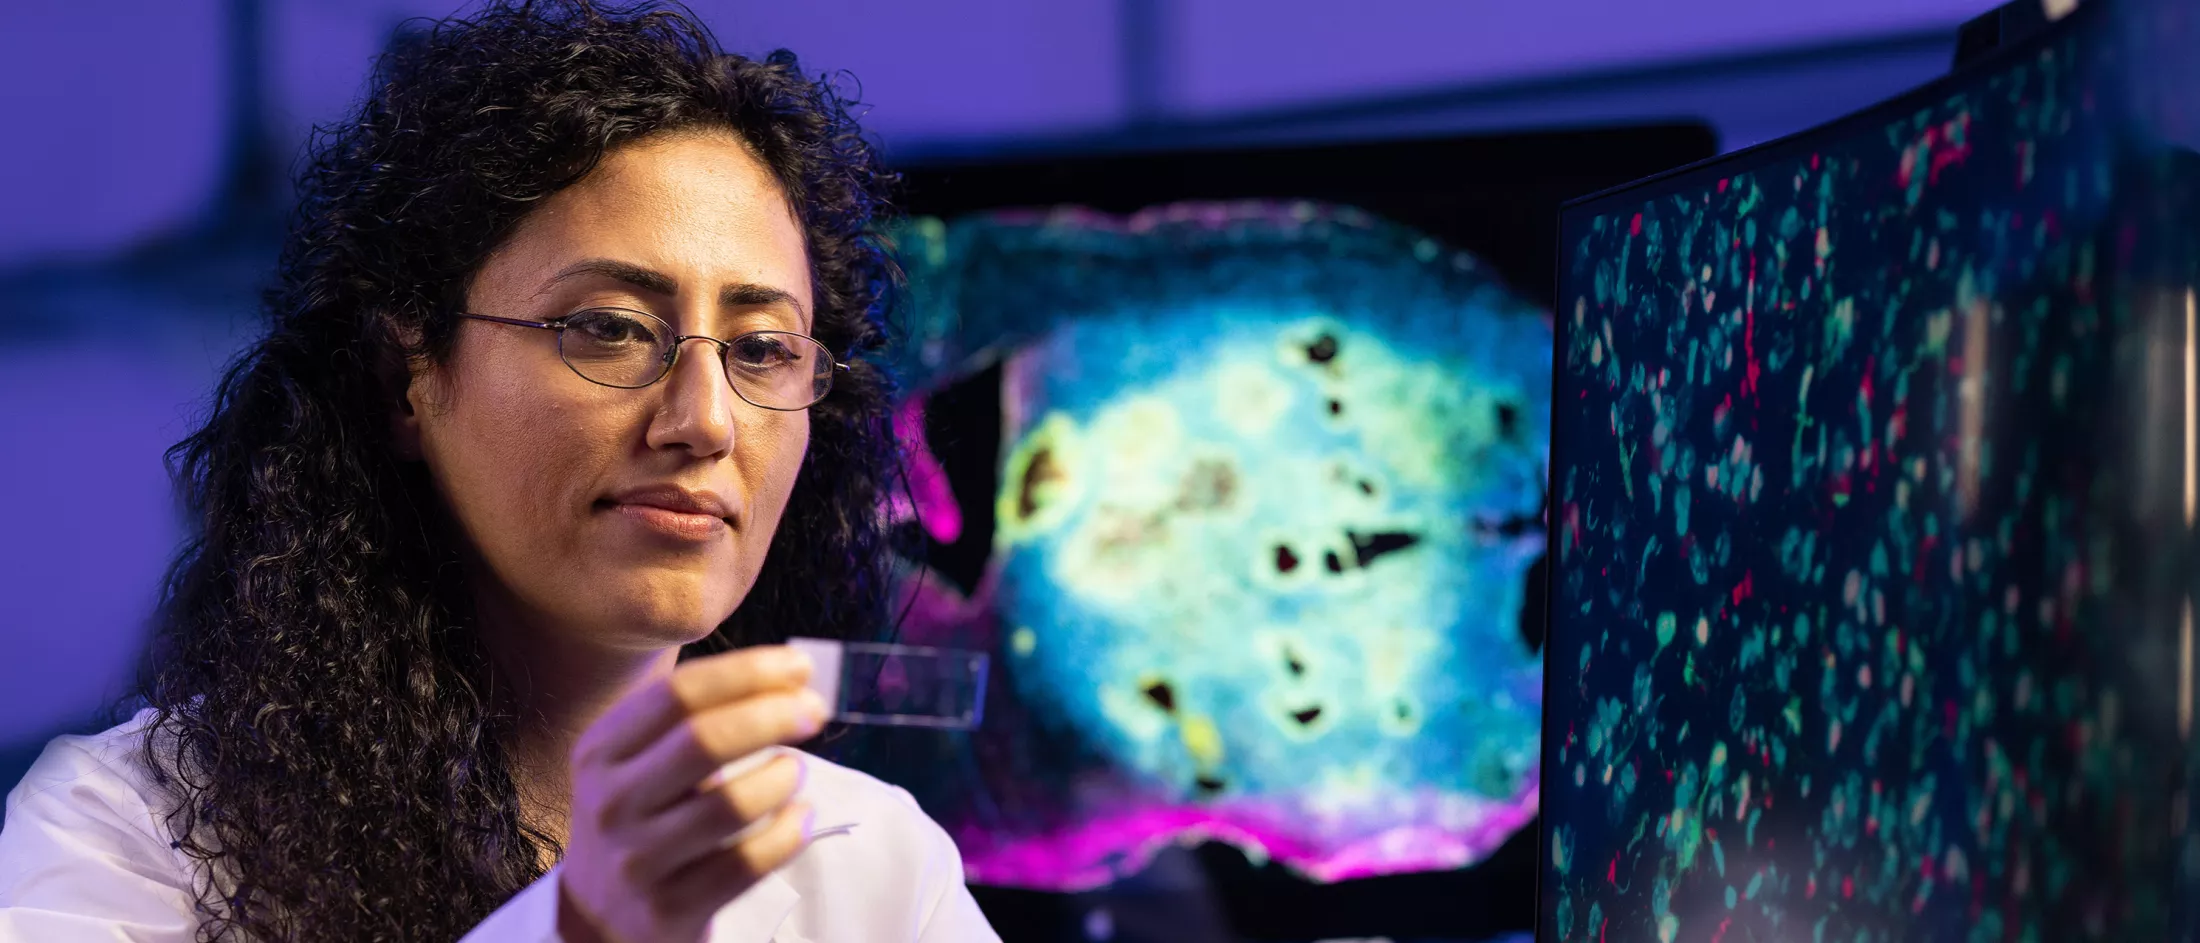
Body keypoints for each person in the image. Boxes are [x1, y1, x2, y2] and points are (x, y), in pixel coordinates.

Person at [0, 2, 1000, 940]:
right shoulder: (128, 833)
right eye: (609, 328)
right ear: (405, 380)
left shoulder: (873, 868)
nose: (705, 421)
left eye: (762, 348)